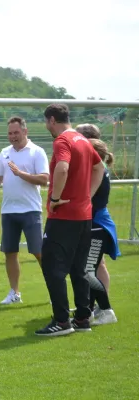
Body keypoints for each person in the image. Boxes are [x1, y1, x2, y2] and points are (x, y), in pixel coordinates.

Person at [35, 104, 105, 337]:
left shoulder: (62, 141)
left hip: (63, 216)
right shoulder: (83, 140)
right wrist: (88, 195)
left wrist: (55, 198)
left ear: (52, 120)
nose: (47, 127)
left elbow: (62, 168)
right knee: (79, 268)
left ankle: (62, 321)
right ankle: (83, 318)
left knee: (52, 266)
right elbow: (99, 167)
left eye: (46, 122)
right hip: (84, 216)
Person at [0, 117, 49, 304]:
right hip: (8, 211)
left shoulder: (37, 152)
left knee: (39, 252)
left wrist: (20, 174)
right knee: (10, 252)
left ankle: (54, 290)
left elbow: (44, 179)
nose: (12, 136)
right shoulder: (4, 153)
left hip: (31, 210)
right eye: (10, 133)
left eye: (16, 132)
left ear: (25, 132)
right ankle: (14, 293)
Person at [76, 127, 119, 326]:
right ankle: (90, 310)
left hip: (98, 227)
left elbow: (86, 198)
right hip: (96, 225)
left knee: (87, 271)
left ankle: (106, 310)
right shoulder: (98, 169)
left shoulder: (97, 172)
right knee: (88, 269)